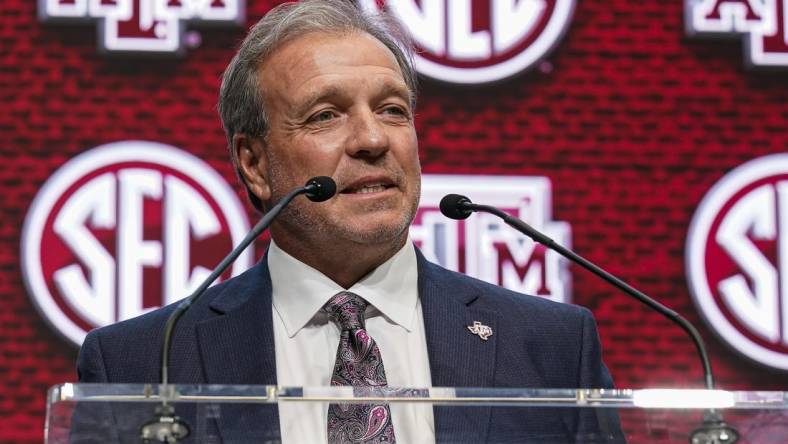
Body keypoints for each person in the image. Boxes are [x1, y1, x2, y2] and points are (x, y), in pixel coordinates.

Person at [76, 1, 621, 442]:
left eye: (392, 109)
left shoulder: (553, 347)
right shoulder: (143, 363)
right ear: (254, 163)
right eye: (325, 116)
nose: (372, 140)